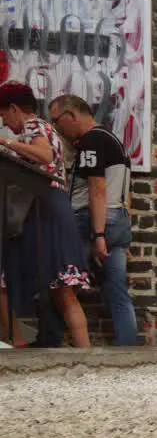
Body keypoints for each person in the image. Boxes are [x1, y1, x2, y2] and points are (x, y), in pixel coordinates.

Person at [0, 81, 92, 348]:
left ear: (15, 109)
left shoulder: (34, 127)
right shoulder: (44, 129)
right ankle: (87, 354)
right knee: (63, 293)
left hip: (45, 210)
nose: (6, 123)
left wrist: (6, 143)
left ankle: (20, 342)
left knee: (59, 291)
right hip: (54, 209)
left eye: (5, 116)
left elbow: (45, 154)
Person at [48, 94, 140, 346]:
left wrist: (99, 234)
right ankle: (129, 352)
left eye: (57, 120)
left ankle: (58, 342)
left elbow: (97, 188)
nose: (55, 127)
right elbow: (123, 190)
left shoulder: (91, 140)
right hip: (118, 219)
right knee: (118, 292)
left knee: (60, 281)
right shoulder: (113, 140)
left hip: (94, 220)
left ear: (73, 115)